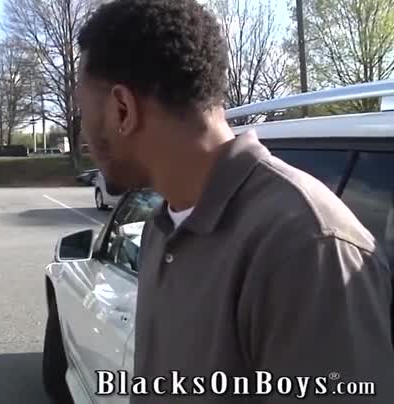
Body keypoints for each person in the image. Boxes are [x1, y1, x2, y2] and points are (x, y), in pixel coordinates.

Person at [76, 0, 393, 402]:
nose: (84, 135)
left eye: (83, 112)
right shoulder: (162, 229)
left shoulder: (306, 247)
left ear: (123, 110)